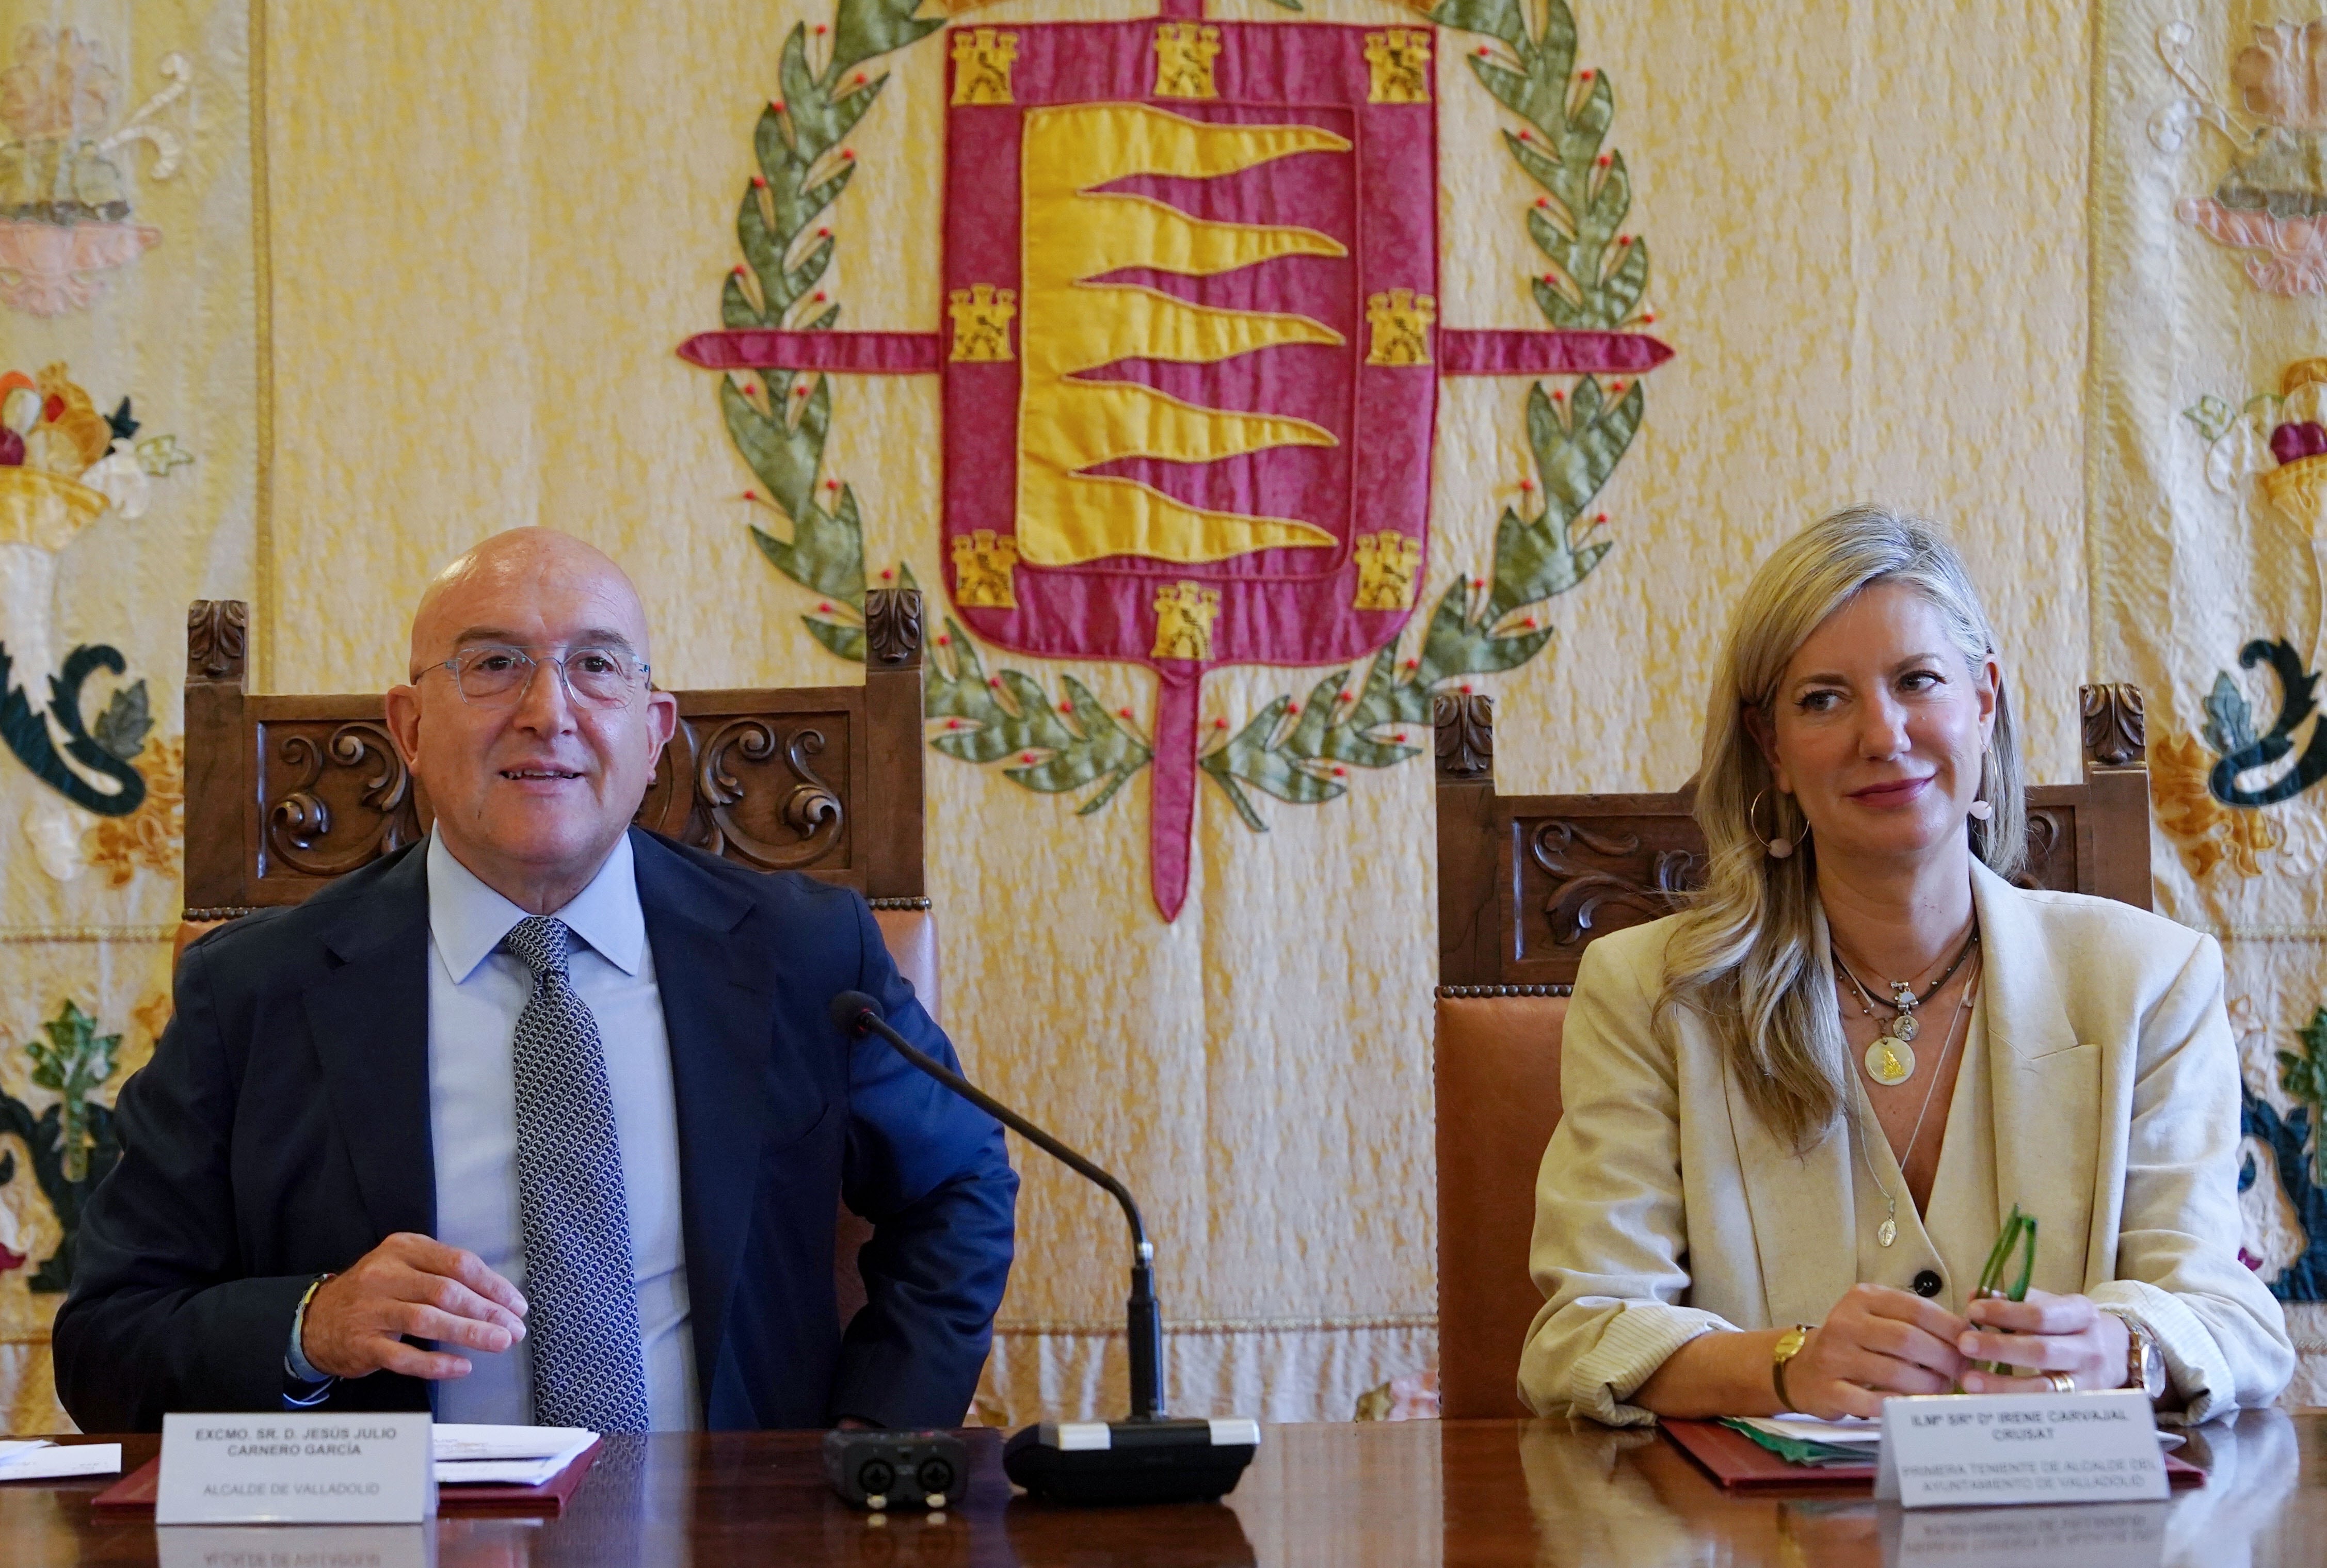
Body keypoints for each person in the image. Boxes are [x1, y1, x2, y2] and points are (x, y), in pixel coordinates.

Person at [55, 527, 1018, 1432]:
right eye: (492, 664)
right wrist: (310, 1325)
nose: (546, 712)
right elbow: (107, 1340)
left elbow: (962, 1186)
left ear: (653, 734)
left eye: (596, 666)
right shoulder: (255, 992)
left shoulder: (806, 956)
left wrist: (875, 1433)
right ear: (411, 727)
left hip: (733, 1529)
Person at [1519, 506, 2291, 1425]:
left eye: (1916, 680)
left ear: (1984, 701)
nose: (1881, 735)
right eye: (1822, 698)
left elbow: (2227, 1316)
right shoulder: (1646, 994)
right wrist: (1783, 1366)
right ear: (1772, 749)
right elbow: (1581, 1334)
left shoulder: (2150, 978)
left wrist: (2126, 1346)